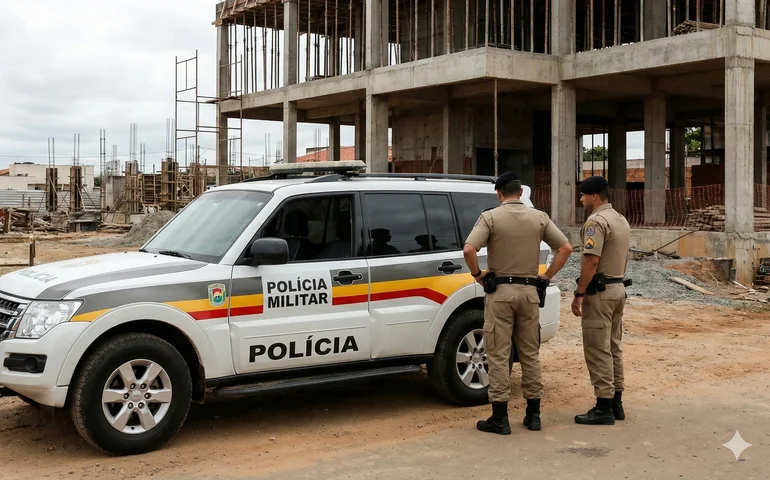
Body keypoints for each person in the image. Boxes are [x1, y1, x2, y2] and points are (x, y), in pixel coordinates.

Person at [463, 172, 573, 435]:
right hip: (529, 293)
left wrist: (478, 275)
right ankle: (533, 415)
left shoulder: (490, 217)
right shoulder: (539, 218)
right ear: (521, 193)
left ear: (499, 193)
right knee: (530, 354)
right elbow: (566, 248)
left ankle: (500, 418)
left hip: (500, 292)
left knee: (499, 355)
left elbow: (469, 249)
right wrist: (546, 276)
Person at [571, 176, 631, 425]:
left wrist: (579, 293)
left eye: (583, 195)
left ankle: (603, 406)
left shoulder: (596, 221)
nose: (581, 199)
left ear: (594, 196)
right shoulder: (619, 218)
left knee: (597, 348)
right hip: (618, 289)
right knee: (613, 346)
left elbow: (591, 260)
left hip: (600, 292)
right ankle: (616, 402)